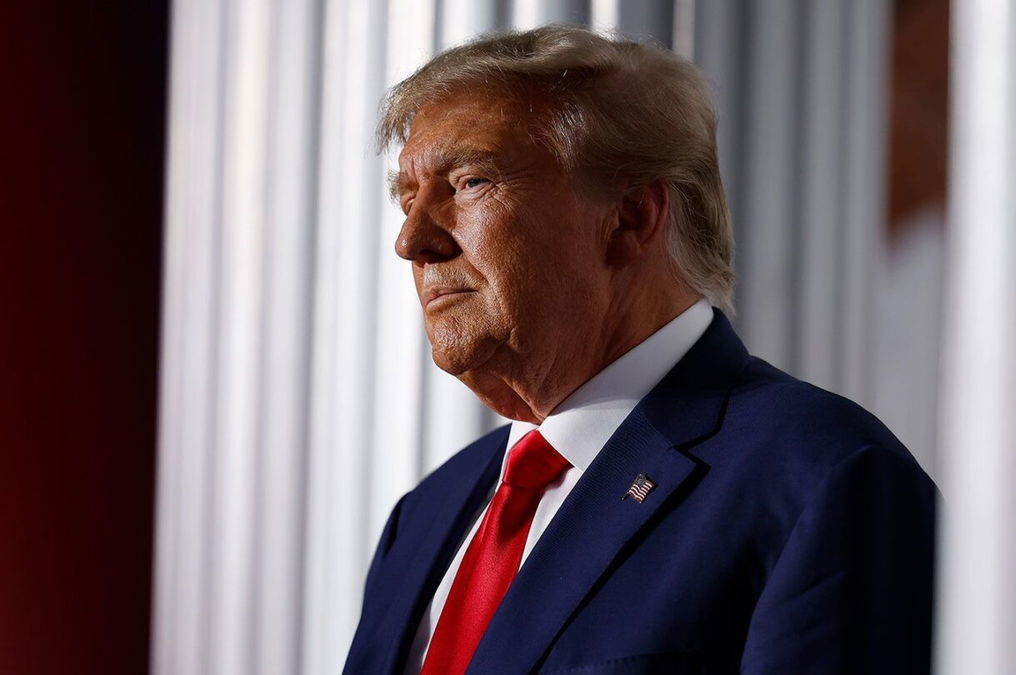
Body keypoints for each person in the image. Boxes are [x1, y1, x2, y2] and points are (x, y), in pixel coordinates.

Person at [344, 25, 936, 675]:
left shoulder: (825, 476)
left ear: (629, 218)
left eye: (470, 182)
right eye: (408, 198)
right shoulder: (425, 516)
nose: (412, 239)